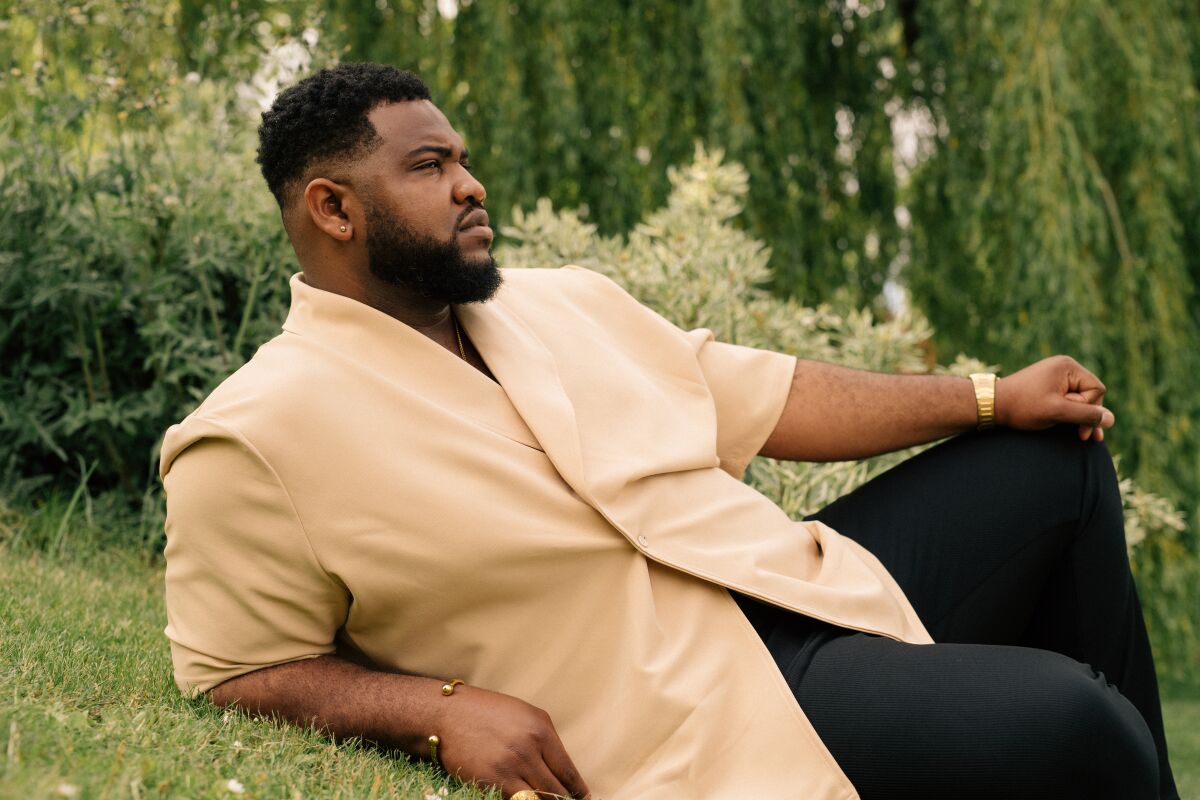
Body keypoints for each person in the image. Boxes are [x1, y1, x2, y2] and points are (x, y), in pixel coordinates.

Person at [159, 63, 1179, 800]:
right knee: (1072, 718)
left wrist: (993, 395)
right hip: (701, 701)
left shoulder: (560, 302)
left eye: (465, 159)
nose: (472, 185)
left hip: (794, 577)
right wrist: (439, 707)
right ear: (334, 208)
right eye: (430, 167)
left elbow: (773, 398)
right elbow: (237, 669)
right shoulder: (254, 432)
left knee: (1056, 462)